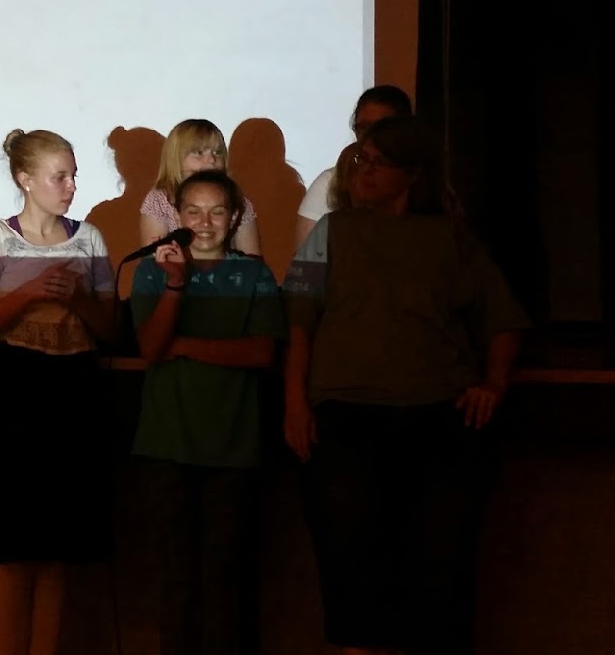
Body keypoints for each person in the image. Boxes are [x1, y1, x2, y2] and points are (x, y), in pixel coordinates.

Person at [282, 115, 528, 655]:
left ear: (412, 174)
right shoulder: (330, 231)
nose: (363, 172)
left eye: (378, 163)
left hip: (436, 416)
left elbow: (503, 321)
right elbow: (298, 321)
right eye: (360, 160)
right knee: (351, 563)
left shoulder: (449, 238)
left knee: (438, 569)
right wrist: (295, 401)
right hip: (345, 415)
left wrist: (493, 384)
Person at [0, 128, 120, 655]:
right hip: (15, 395)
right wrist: (26, 293)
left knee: (57, 554)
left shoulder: (90, 239)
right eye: (59, 177)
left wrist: (79, 299)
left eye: (73, 176)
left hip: (75, 393)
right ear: (26, 180)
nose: (71, 186)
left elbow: (111, 330)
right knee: (13, 554)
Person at [130, 169, 284, 655]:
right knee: (175, 577)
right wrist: (175, 286)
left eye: (217, 211)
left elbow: (260, 352)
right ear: (177, 216)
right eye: (193, 211)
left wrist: (187, 346)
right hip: (167, 445)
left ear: (234, 217)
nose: (205, 222)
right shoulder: (153, 271)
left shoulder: (255, 275)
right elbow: (152, 347)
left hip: (233, 448)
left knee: (226, 579)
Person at [294, 85, 413, 249]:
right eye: (364, 128)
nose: (371, 137)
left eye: (382, 129)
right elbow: (307, 259)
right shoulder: (330, 183)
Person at [141, 119, 262, 257]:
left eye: (217, 152)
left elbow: (252, 259)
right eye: (199, 153)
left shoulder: (237, 200)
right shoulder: (159, 201)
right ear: (176, 158)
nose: (211, 160)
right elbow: (151, 259)